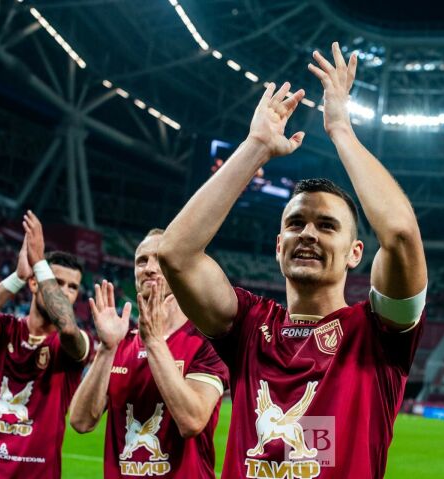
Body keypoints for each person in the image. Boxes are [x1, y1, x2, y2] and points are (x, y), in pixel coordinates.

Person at [159, 42, 427, 478]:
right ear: (278, 244)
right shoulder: (249, 325)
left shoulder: (378, 334)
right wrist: (256, 146)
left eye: (327, 225)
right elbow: (175, 254)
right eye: (296, 223)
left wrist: (340, 129)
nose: (308, 233)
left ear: (355, 253)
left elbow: (398, 234)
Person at [69, 229, 228, 479]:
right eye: (142, 261)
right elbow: (80, 422)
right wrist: (107, 349)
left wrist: (154, 341)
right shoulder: (120, 343)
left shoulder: (206, 342)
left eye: (160, 260)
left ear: (179, 269)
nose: (150, 269)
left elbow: (192, 421)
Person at [0, 211, 92, 479]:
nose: (64, 292)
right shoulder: (6, 329)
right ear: (34, 283)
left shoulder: (76, 341)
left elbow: (67, 328)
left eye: (72, 287)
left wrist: (39, 262)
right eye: (57, 282)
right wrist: (17, 276)